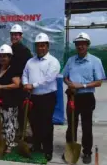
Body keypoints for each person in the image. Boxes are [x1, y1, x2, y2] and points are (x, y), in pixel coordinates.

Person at [62, 32, 105, 164]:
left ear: (87, 45)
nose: (80, 46)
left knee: (86, 126)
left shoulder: (95, 61)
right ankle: (70, 149)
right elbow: (65, 76)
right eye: (78, 44)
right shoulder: (71, 60)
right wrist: (69, 84)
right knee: (71, 126)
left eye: (83, 44)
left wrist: (82, 85)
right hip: (72, 96)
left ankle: (87, 152)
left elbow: (99, 82)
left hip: (86, 97)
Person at [22, 33, 60, 161]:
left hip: (47, 97)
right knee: (34, 123)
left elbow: (48, 79)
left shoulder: (53, 62)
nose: (40, 48)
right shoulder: (30, 61)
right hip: (33, 97)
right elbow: (24, 74)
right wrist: (25, 83)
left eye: (43, 45)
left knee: (46, 124)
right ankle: (37, 145)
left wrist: (32, 85)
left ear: (47, 46)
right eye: (38, 46)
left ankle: (48, 150)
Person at [0, 44, 20, 153]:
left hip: (10, 101)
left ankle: (10, 144)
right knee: (2, 123)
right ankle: (3, 141)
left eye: (5, 56)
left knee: (10, 123)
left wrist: (1, 87)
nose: (2, 58)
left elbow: (17, 84)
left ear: (10, 57)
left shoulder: (13, 69)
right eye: (0, 56)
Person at [9, 24, 32, 138]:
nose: (14, 37)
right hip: (10, 86)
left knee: (22, 112)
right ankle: (12, 132)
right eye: (12, 35)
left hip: (21, 86)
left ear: (21, 36)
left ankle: (22, 134)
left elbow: (29, 69)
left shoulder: (25, 51)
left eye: (16, 35)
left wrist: (24, 82)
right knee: (11, 110)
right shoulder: (8, 50)